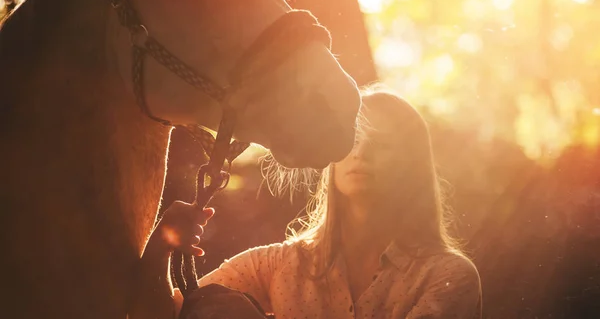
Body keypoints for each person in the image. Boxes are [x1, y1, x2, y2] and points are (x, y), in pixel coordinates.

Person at [133, 85, 482, 319]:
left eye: (384, 144)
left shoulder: (447, 276)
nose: (363, 153)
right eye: (354, 138)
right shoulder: (280, 264)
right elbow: (175, 315)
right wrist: (162, 246)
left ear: (412, 164)